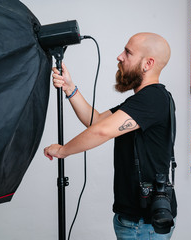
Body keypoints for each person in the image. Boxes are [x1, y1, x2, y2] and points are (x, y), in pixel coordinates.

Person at [44, 32, 177, 240]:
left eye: (128, 52)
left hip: (142, 225)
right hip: (134, 221)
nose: (119, 56)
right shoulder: (142, 101)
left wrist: (63, 151)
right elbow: (96, 121)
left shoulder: (153, 98)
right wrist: (70, 88)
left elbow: (102, 131)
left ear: (147, 63)